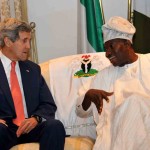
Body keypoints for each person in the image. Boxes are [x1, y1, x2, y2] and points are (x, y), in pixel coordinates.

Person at [76, 16, 150, 150]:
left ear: (127, 44)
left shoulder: (148, 63)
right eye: (105, 48)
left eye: (111, 46)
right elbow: (80, 112)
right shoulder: (103, 76)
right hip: (112, 139)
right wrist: (88, 95)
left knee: (134, 101)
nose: (107, 53)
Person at [0, 18, 65, 150]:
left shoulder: (33, 69)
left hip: (29, 127)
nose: (28, 46)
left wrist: (36, 119)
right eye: (24, 40)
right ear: (7, 41)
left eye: (29, 41)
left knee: (55, 126)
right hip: (5, 130)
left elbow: (48, 104)